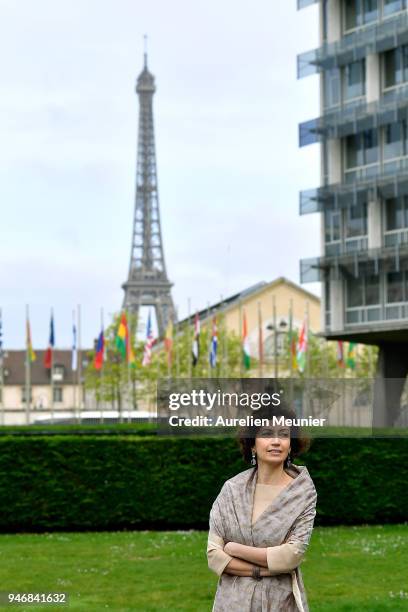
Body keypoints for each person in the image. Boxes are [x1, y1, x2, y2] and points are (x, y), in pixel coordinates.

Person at [207, 403, 317, 611]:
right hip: (232, 601)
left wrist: (235, 549)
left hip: (279, 601)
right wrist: (263, 570)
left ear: (291, 445)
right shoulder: (232, 489)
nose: (276, 441)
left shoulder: (303, 493)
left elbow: (291, 556)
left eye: (283, 435)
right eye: (267, 434)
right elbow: (214, 556)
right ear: (252, 445)